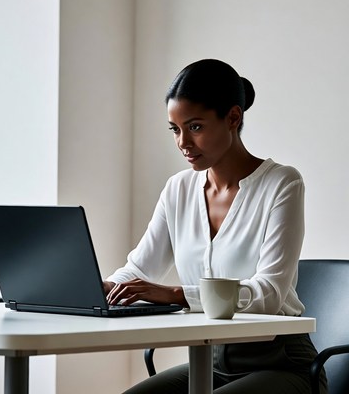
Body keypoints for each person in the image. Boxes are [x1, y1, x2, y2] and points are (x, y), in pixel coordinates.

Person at [103, 59, 328, 394]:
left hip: (282, 363)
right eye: (175, 129)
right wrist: (95, 290)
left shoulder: (282, 184)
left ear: (233, 118)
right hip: (209, 363)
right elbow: (138, 270)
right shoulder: (178, 190)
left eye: (195, 127)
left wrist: (176, 294)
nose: (183, 143)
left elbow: (268, 294)